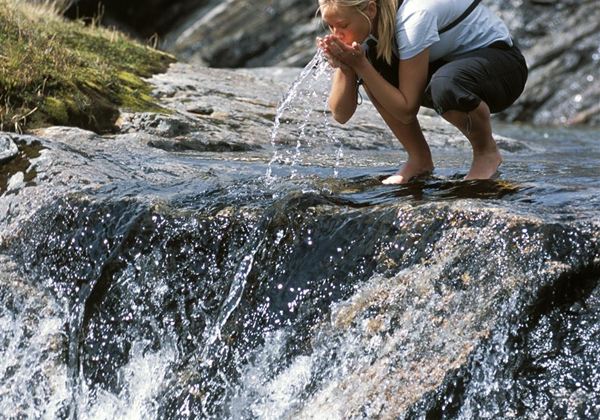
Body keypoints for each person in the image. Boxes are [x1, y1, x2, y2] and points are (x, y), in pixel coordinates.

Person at [316, 0, 528, 184]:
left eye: (342, 25)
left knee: (445, 85)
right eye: (330, 26)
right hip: (448, 64)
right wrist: (347, 67)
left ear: (371, 10)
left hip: (502, 69)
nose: (337, 34)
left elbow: (407, 109)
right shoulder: (371, 28)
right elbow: (341, 114)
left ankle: (486, 153)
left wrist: (361, 66)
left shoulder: (414, 16)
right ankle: (419, 160)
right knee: (374, 62)